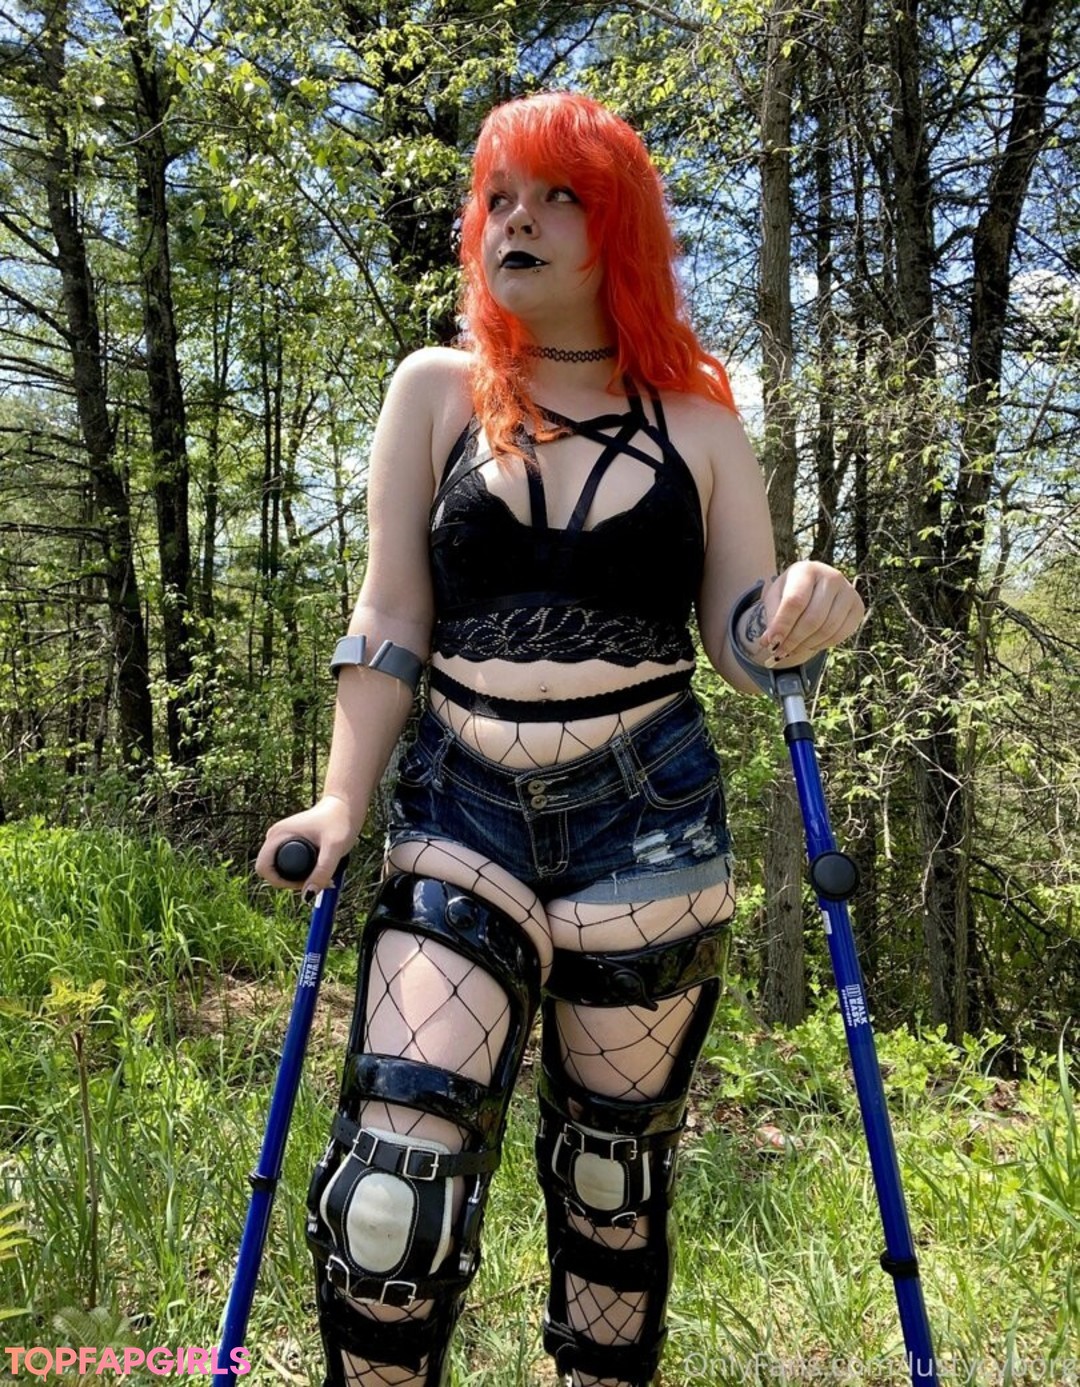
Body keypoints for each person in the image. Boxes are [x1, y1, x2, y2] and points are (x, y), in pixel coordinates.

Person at [256, 91, 864, 1387]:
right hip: (458, 807)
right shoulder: (435, 393)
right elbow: (389, 617)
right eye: (498, 199)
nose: (515, 220)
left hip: (648, 821)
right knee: (387, 1207)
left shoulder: (701, 423)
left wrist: (808, 606)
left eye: (556, 196)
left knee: (611, 1188)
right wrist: (340, 803)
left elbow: (744, 642)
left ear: (618, 228)